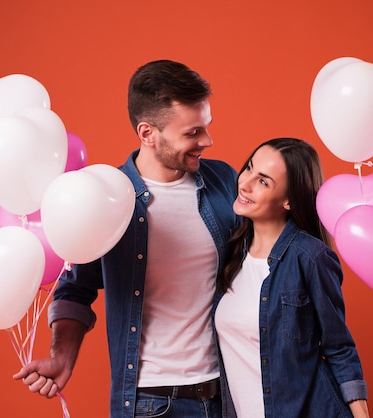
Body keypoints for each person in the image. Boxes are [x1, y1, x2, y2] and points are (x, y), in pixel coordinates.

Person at [13, 59, 239, 418]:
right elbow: (75, 288)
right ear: (148, 133)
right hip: (151, 404)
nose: (207, 141)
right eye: (192, 133)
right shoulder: (105, 199)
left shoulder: (223, 181)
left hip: (226, 397)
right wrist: (62, 357)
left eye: (206, 127)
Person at [214, 138, 369, 417]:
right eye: (249, 169)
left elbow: (339, 347)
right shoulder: (230, 252)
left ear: (289, 199)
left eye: (263, 181)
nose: (245, 184)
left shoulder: (310, 257)